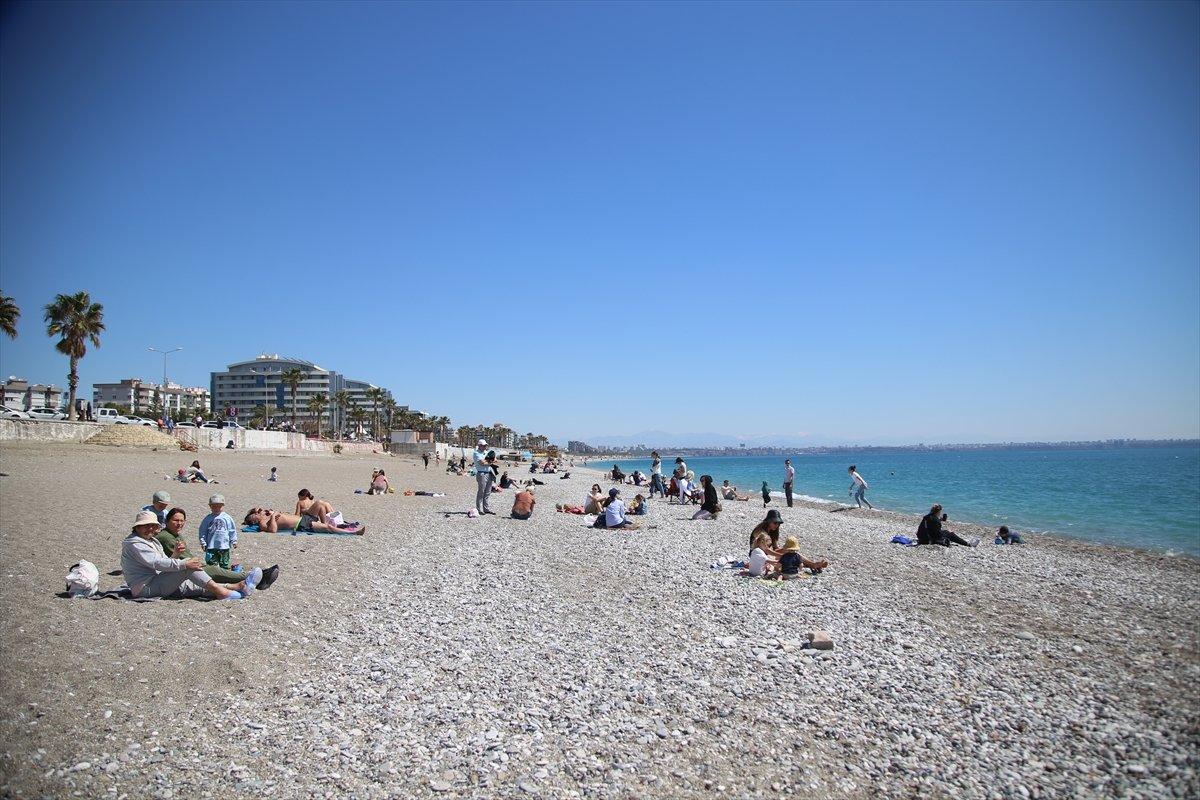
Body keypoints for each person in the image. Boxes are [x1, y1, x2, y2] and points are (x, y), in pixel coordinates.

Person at [122, 511, 257, 600]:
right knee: (190, 567)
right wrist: (184, 563)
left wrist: (176, 554)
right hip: (145, 588)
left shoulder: (152, 540)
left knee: (192, 585)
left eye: (152, 526)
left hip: (157, 581)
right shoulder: (135, 544)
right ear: (137, 527)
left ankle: (236, 586)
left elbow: (162, 563)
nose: (150, 529)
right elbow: (156, 563)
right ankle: (226, 588)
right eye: (145, 526)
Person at [160, 507, 279, 588]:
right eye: (176, 520)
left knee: (221, 570)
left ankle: (256, 575)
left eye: (182, 520)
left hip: (187, 565)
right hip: (184, 569)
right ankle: (258, 577)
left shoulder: (175, 534)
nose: (179, 523)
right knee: (216, 571)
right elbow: (180, 558)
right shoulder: (166, 537)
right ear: (167, 520)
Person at [245, 507, 364, 535]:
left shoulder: (266, 515)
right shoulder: (262, 524)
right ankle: (352, 533)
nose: (258, 512)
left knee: (322, 507)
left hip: (303, 519)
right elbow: (273, 530)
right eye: (255, 513)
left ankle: (342, 524)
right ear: (253, 519)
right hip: (300, 524)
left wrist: (272, 513)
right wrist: (273, 516)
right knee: (328, 528)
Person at [198, 494, 238, 570]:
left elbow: (232, 530)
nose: (216, 508)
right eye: (214, 506)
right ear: (210, 506)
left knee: (225, 564)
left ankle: (224, 576)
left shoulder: (227, 517)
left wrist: (234, 541)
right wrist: (203, 542)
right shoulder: (207, 518)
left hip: (224, 546)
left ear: (222, 506)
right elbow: (202, 531)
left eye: (219, 506)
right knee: (211, 564)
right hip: (211, 546)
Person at [473, 439, 495, 515]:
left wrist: (488, 462)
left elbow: (495, 459)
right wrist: (490, 461)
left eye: (485, 445)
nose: (485, 446)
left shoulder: (486, 452)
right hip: (481, 474)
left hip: (489, 473)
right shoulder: (476, 453)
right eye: (483, 445)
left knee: (488, 492)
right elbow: (482, 463)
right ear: (479, 445)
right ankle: (479, 509)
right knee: (481, 492)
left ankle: (486, 508)